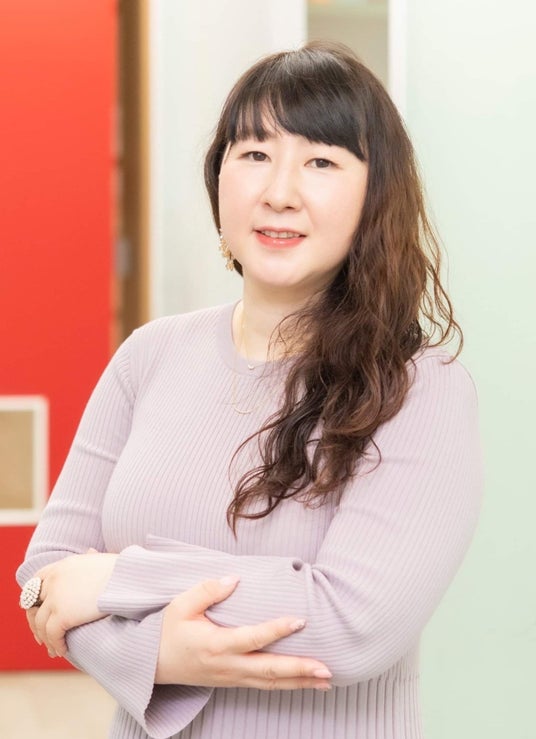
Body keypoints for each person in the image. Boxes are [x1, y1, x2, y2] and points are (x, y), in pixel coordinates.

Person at [16, 40, 483, 739]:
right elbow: (48, 579)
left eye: (321, 162)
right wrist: (160, 654)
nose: (279, 192)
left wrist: (119, 579)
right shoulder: (149, 355)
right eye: (256, 153)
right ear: (219, 177)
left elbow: (349, 624)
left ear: (375, 195)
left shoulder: (421, 389)